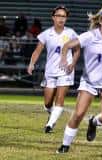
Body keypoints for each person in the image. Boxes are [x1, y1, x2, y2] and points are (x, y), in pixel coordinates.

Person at [56, 4, 102, 153]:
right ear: (100, 22)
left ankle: (93, 122)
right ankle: (65, 145)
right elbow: (66, 45)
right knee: (78, 114)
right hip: (89, 81)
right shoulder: (89, 36)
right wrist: (64, 59)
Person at [27, 5, 80, 133]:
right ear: (53, 17)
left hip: (65, 71)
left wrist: (72, 63)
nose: (61, 18)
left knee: (60, 99)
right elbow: (37, 51)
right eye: (58, 16)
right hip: (50, 71)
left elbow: (77, 50)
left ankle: (49, 125)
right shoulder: (46, 34)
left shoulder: (71, 33)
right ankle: (52, 114)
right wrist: (31, 63)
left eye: (64, 16)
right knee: (48, 103)